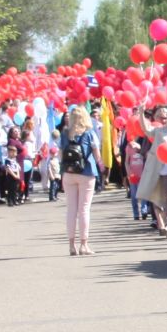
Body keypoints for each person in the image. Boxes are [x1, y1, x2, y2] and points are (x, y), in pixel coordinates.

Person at [56, 105, 101, 255]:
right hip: (86, 172)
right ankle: (84, 244)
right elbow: (97, 155)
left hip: (68, 173)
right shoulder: (89, 133)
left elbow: (60, 155)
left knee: (71, 209)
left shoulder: (65, 133)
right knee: (84, 209)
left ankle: (71, 245)